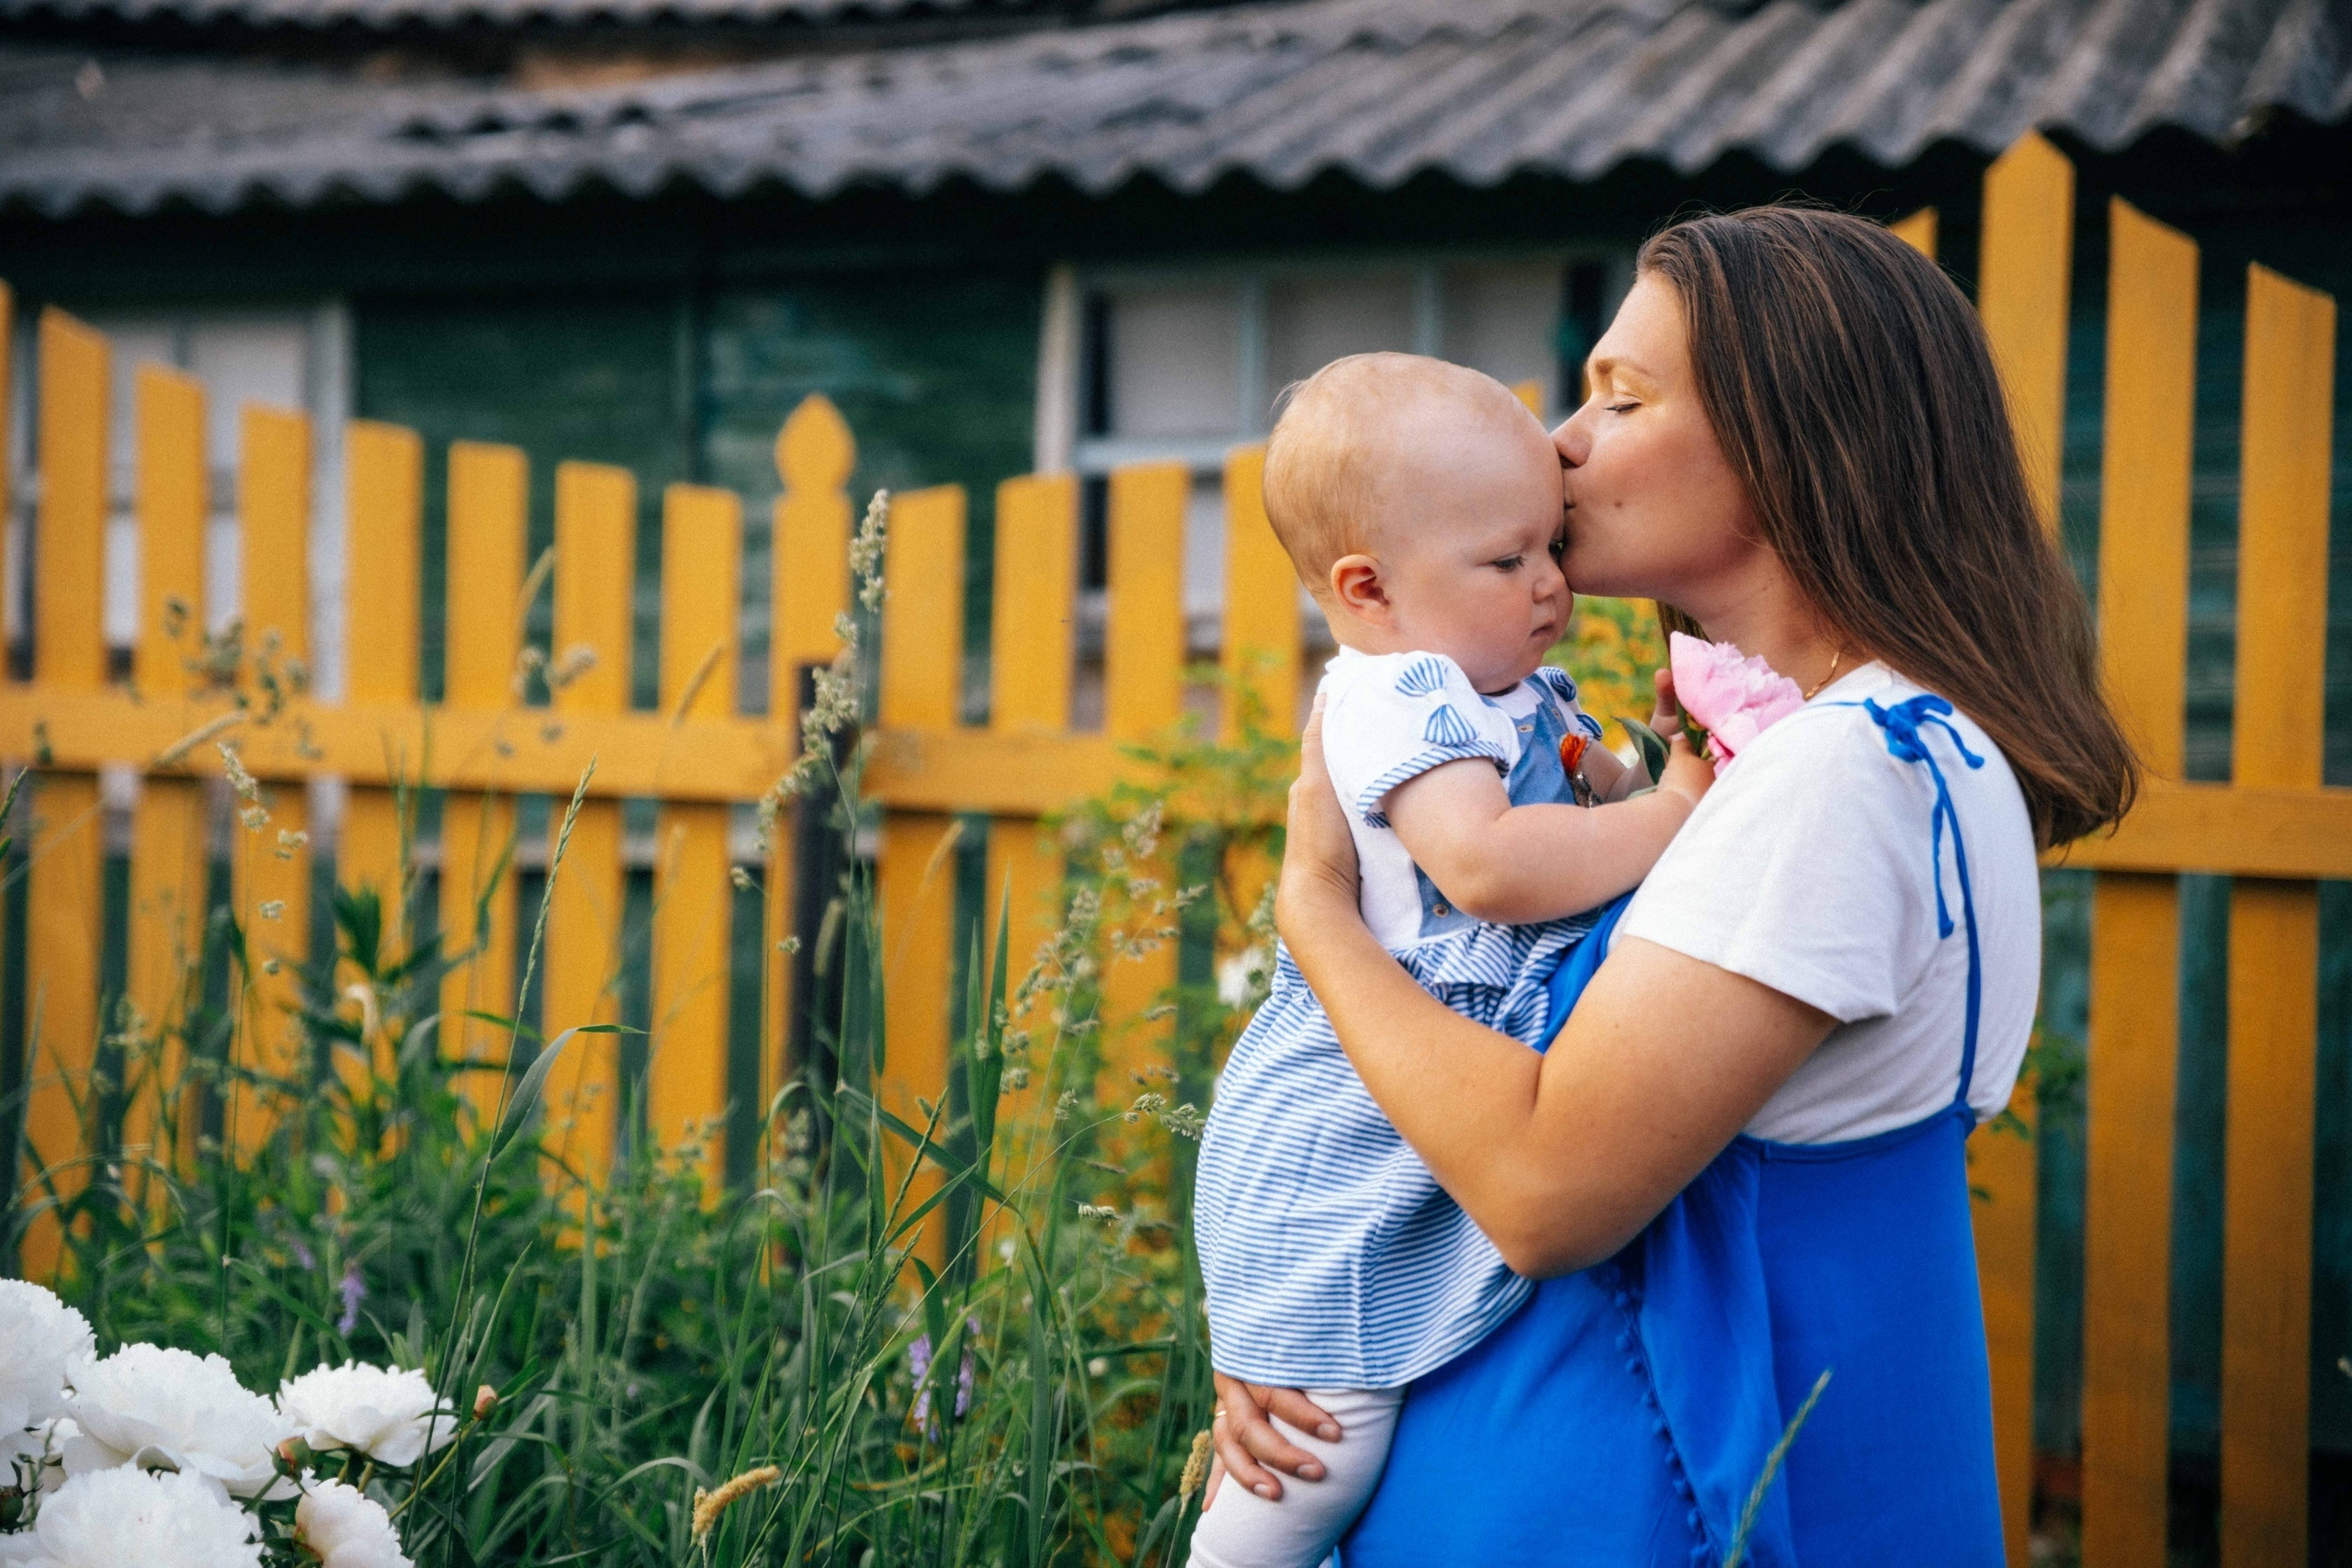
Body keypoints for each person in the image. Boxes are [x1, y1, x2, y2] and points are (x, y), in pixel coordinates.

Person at [1204, 208, 2138, 1567]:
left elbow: (1541, 1188)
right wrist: (1318, 1315)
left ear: (1793, 445)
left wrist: (1316, 919)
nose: (1563, 443)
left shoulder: (1842, 774)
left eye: (1619, 398)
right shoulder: (1851, 748)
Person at [1187, 355, 1713, 1568]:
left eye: (1550, 548)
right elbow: (1485, 865)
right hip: (1348, 1113)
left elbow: (1575, 809)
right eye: (1507, 560)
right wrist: (1673, 811)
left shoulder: (1509, 687)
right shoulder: (1396, 694)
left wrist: (1634, 775)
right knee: (1317, 1451)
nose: (1550, 585)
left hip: (1424, 1093)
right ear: (1368, 591)